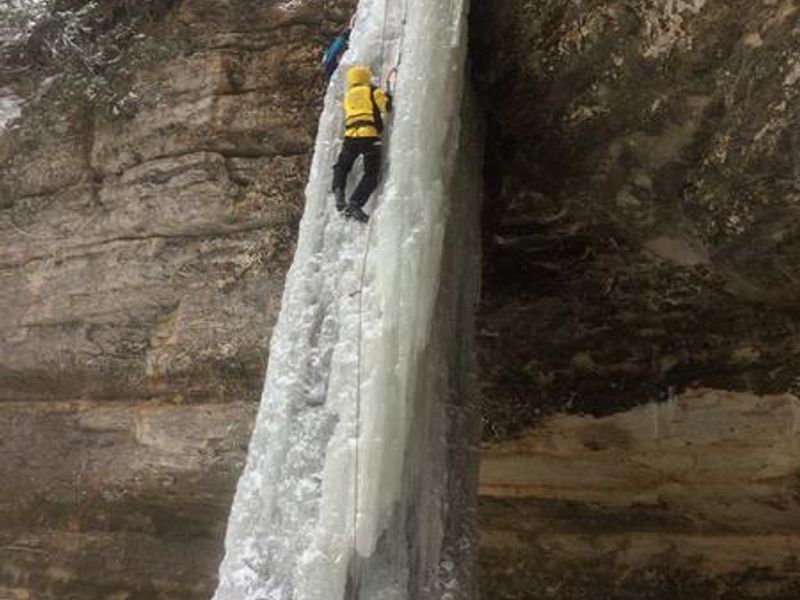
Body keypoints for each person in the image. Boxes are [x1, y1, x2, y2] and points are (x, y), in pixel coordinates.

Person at [332, 65, 392, 222]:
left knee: (342, 166)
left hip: (350, 138)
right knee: (371, 174)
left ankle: (338, 190)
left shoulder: (348, 95)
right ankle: (355, 203)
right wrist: (388, 97)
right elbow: (385, 108)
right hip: (369, 136)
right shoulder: (372, 90)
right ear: (366, 78)